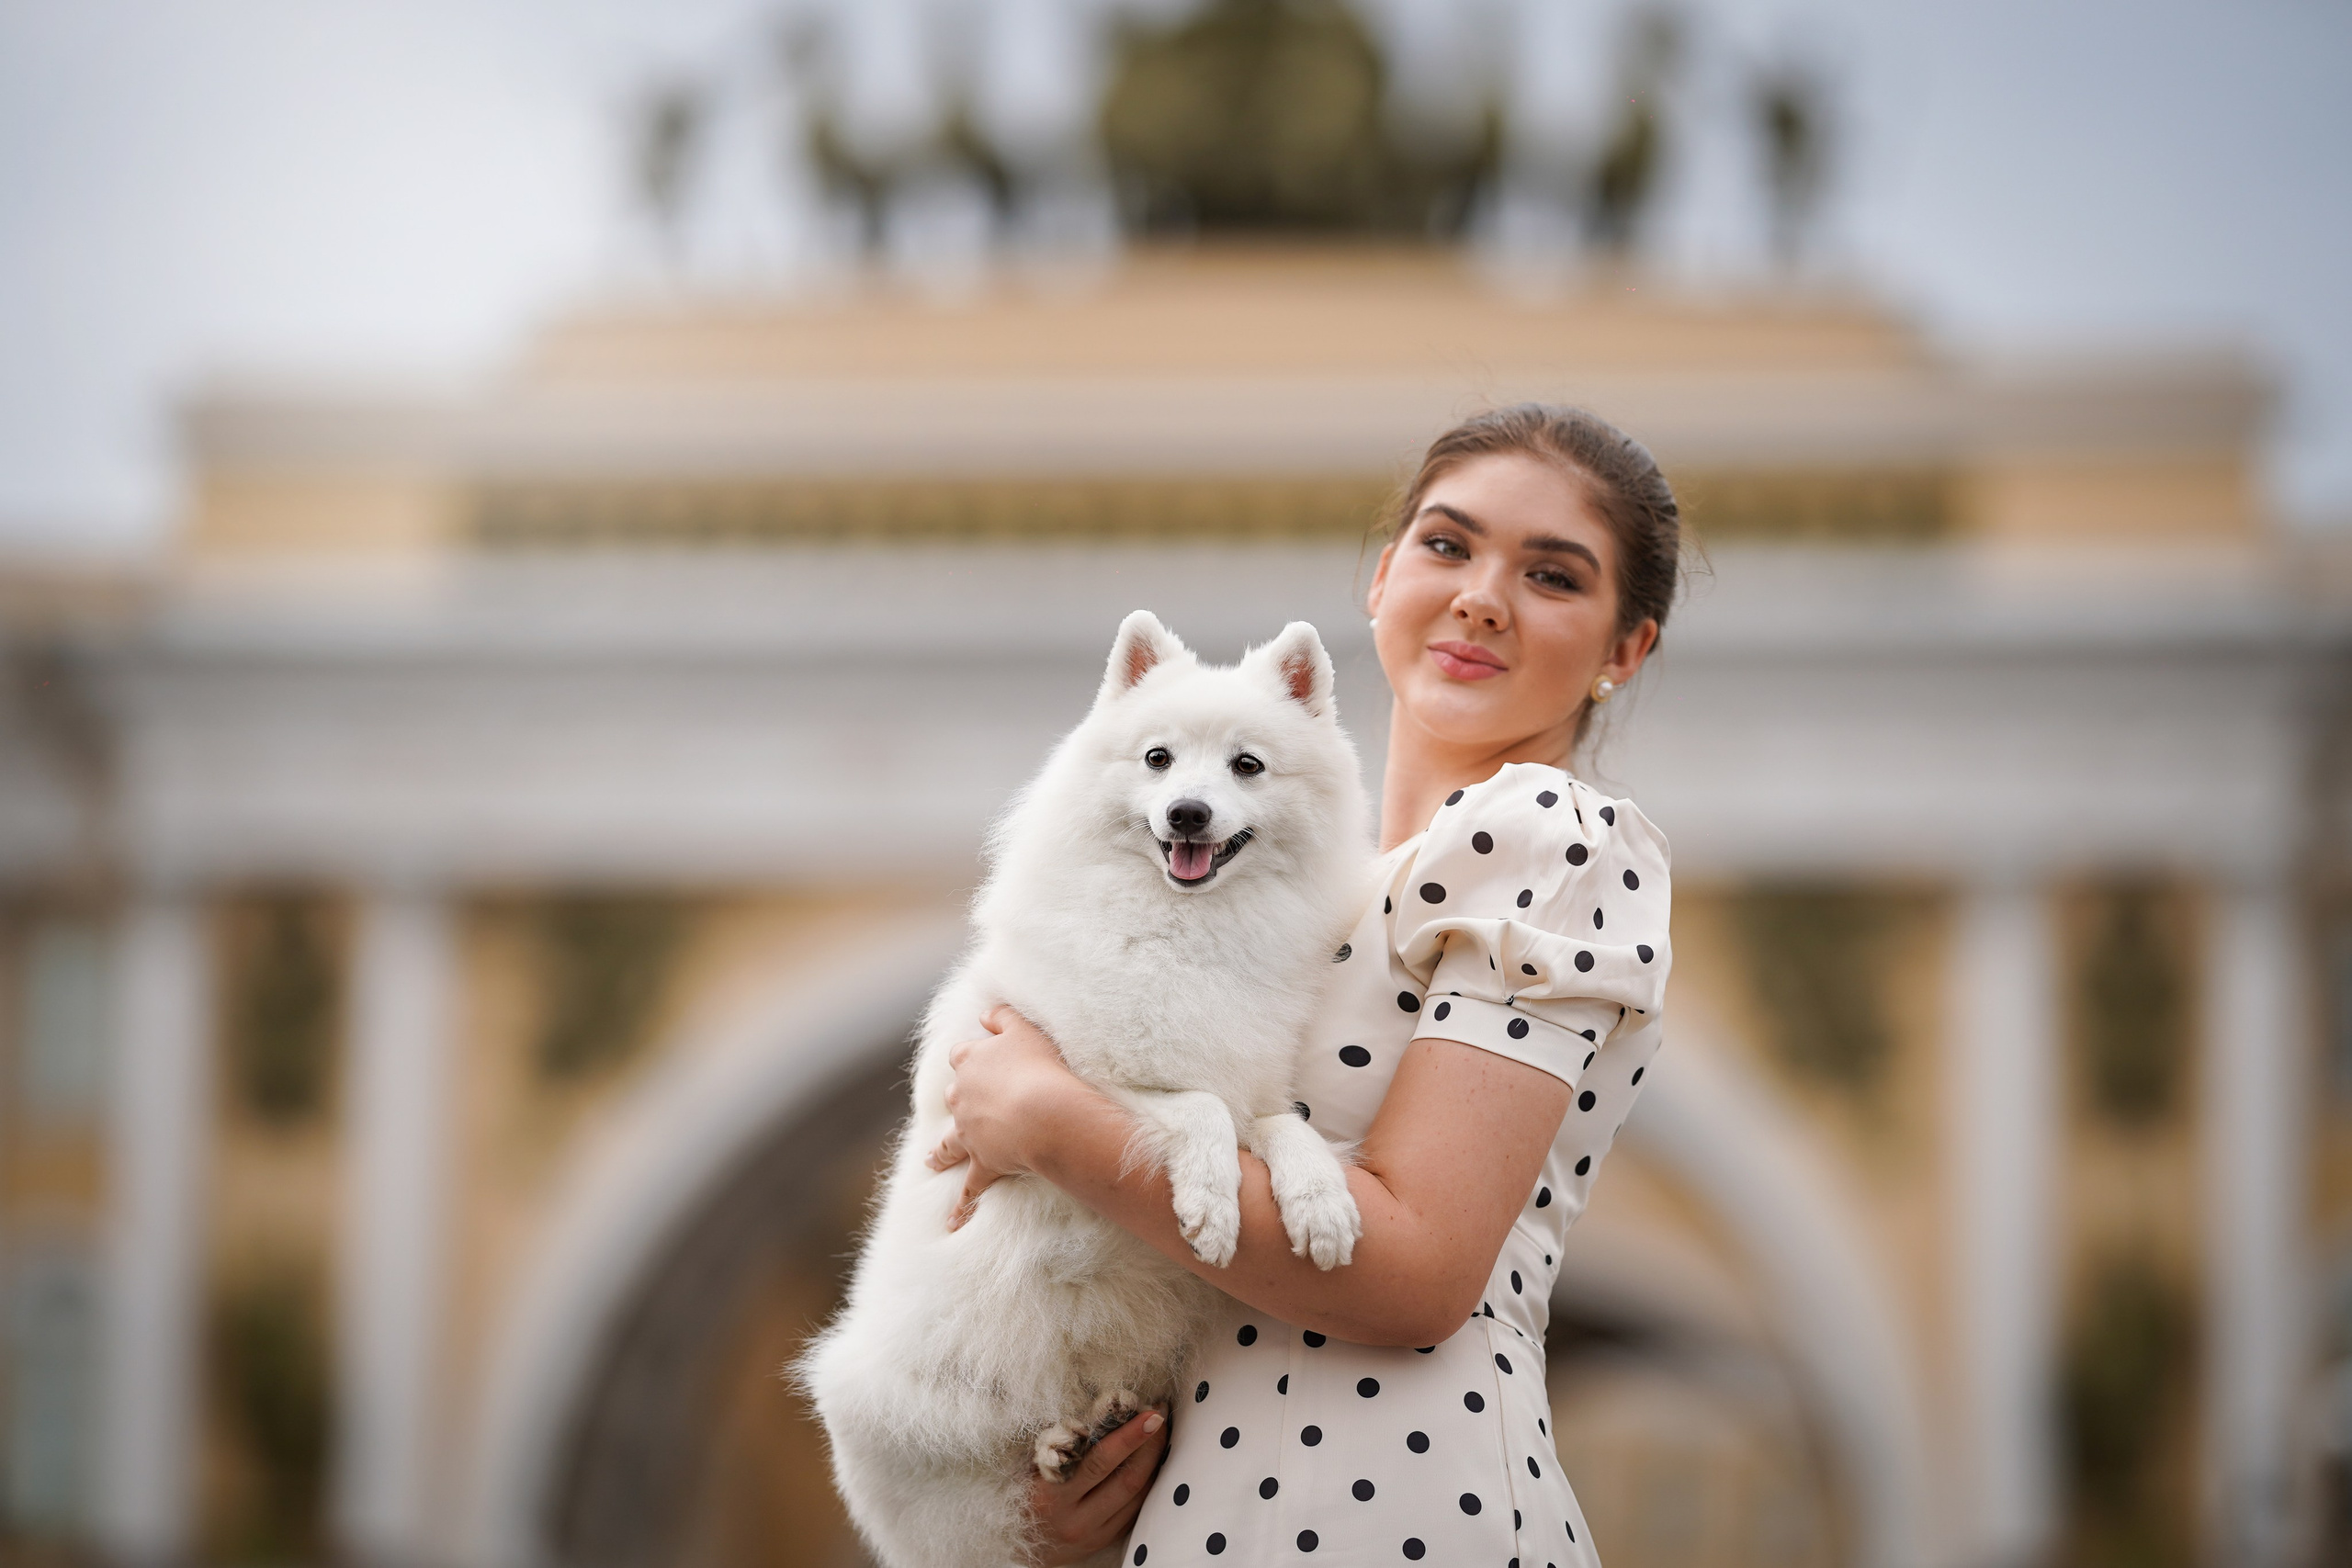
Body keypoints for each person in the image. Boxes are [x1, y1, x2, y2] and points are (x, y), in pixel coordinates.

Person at [926, 403, 1681, 1566]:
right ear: (1380, 580)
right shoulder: (1314, 896)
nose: (1483, 594)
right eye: (1447, 545)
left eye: (1552, 575)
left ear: (1624, 651)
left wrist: (1044, 1118)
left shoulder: (1544, 831)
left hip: (1397, 1510)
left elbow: (1418, 1272)